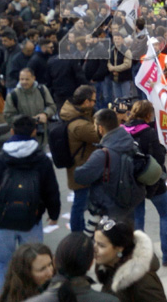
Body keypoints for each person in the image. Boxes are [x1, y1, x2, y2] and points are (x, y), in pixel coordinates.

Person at [0, 116, 61, 288]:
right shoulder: (42, 160)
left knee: (3, 264)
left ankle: (6, 295)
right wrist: (54, 214)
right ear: (34, 132)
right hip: (31, 220)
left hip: (3, 221)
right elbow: (51, 190)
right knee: (34, 263)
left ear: (12, 131)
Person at [123, 100, 167, 267]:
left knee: (138, 219)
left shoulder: (123, 131)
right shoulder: (149, 133)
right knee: (165, 214)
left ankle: (140, 255)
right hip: (153, 181)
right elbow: (159, 158)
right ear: (148, 114)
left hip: (133, 182)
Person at [75, 108, 145, 231]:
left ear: (100, 128)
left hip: (109, 210)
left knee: (109, 241)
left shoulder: (102, 155)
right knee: (127, 237)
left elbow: (80, 176)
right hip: (128, 203)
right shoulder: (129, 142)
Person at [24, 233, 117, 302]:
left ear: (55, 261)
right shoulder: (110, 300)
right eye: (42, 269)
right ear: (90, 264)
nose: (48, 271)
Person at [94, 218, 167, 301]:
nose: (94, 249)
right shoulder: (108, 268)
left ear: (119, 248)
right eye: (94, 242)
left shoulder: (142, 283)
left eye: (101, 245)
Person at [60, 85, 100, 233]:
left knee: (82, 202)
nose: (95, 103)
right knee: (80, 204)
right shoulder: (79, 125)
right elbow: (100, 134)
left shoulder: (75, 113)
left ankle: (81, 231)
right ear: (86, 102)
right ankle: (77, 234)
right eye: (93, 100)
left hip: (79, 166)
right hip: (82, 168)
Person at [3, 68, 57, 142]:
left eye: (27, 79)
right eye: (22, 79)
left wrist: (45, 114)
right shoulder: (13, 95)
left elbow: (52, 106)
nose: (24, 82)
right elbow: (8, 117)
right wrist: (28, 120)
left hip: (42, 135)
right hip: (22, 136)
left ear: (33, 78)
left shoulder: (42, 90)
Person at [108, 33, 133, 99]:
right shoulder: (111, 50)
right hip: (114, 79)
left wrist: (114, 68)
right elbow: (108, 62)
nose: (117, 40)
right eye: (115, 39)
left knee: (126, 98)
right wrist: (110, 68)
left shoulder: (126, 51)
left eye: (118, 39)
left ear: (122, 40)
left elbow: (127, 64)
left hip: (124, 78)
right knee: (117, 99)